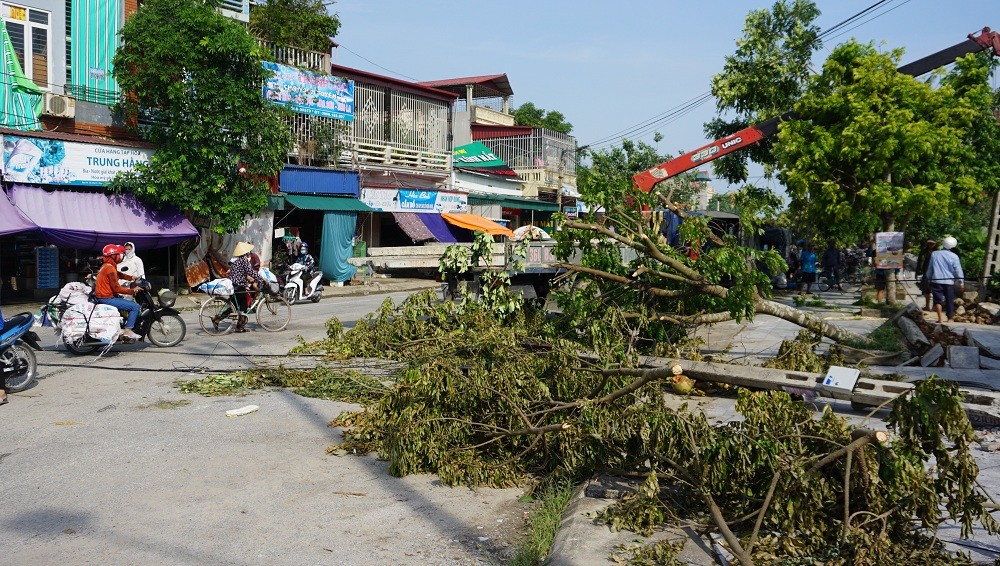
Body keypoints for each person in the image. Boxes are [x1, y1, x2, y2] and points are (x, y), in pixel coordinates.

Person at [94, 244, 142, 341]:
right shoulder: (110, 268)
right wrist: (132, 291)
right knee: (135, 306)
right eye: (118, 254)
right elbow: (117, 289)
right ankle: (128, 330)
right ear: (113, 256)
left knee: (123, 301)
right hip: (106, 298)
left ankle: (120, 328)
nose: (121, 256)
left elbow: (118, 274)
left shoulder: (107, 265)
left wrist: (131, 277)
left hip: (103, 296)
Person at [228, 242, 267, 332]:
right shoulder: (243, 260)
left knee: (233, 305)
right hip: (239, 285)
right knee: (244, 305)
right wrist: (261, 279)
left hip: (233, 284)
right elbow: (251, 272)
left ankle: (218, 319)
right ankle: (239, 327)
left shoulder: (235, 260)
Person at [925, 236, 965, 323]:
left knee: (937, 300)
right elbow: (958, 270)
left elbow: (930, 269)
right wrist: (961, 282)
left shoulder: (934, 254)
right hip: (949, 282)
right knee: (949, 300)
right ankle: (950, 319)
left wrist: (928, 278)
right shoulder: (954, 256)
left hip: (936, 280)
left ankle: (940, 318)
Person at [915, 239, 937, 311]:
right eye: (929, 243)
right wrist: (917, 271)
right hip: (925, 273)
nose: (930, 245)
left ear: (935, 244)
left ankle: (934, 306)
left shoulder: (937, 253)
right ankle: (927, 306)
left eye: (932, 243)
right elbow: (919, 262)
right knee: (926, 290)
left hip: (935, 273)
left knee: (935, 291)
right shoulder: (923, 252)